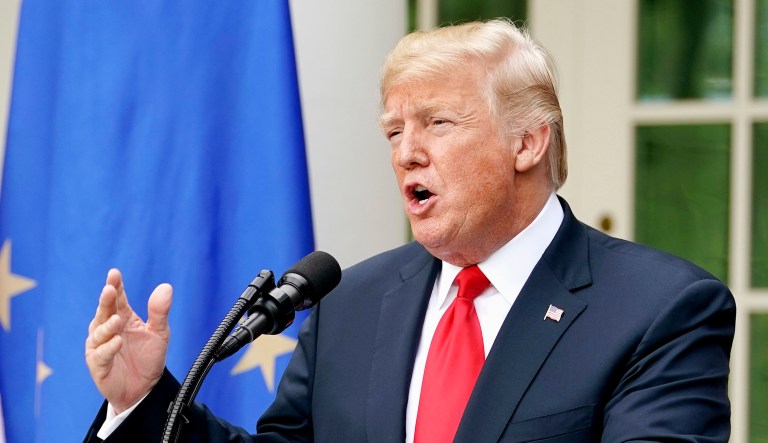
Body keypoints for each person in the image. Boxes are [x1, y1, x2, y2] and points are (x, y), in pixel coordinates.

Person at [84, 19, 735, 442]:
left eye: (437, 124)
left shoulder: (659, 309)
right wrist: (143, 399)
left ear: (529, 142)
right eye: (395, 131)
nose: (406, 153)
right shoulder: (349, 304)